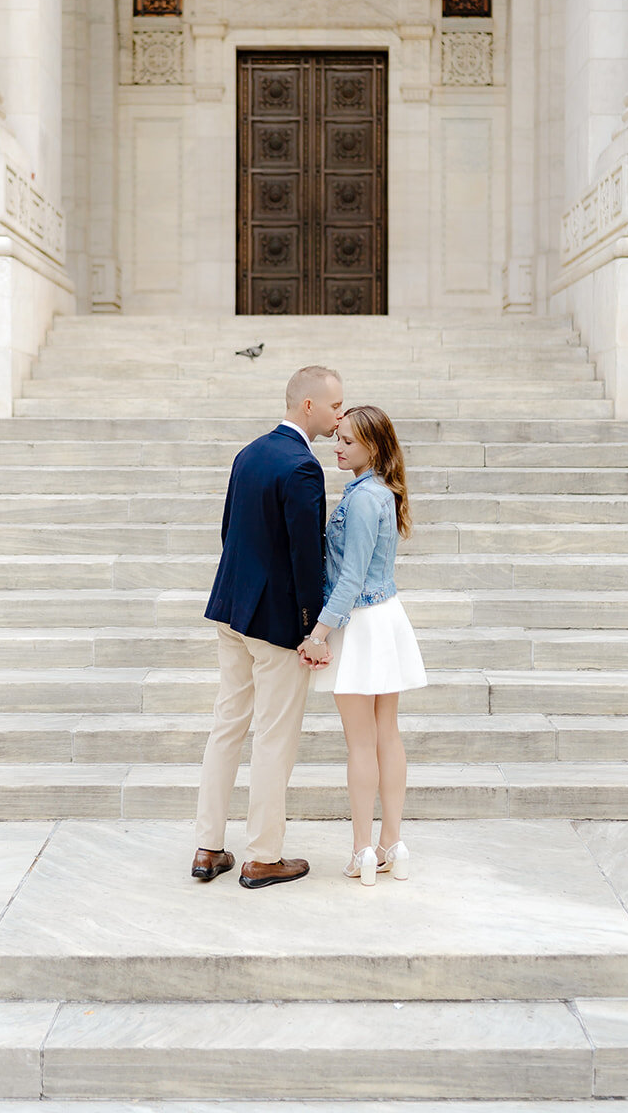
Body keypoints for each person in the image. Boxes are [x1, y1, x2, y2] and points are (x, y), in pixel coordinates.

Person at [191, 364, 345, 889]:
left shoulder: (249, 452)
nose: (340, 415)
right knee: (274, 738)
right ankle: (262, 856)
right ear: (308, 406)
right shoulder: (303, 467)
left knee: (226, 727)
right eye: (334, 406)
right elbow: (307, 557)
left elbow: (227, 531)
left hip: (232, 612)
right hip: (276, 624)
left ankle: (209, 847)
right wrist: (312, 629)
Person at [302, 405, 426, 886]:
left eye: (348, 442)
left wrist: (319, 633)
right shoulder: (383, 491)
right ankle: (392, 841)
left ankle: (363, 850)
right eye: (338, 438)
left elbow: (351, 578)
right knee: (387, 735)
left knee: (361, 742)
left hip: (360, 622)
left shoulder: (360, 499)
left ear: (373, 447)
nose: (337, 446)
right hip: (386, 617)